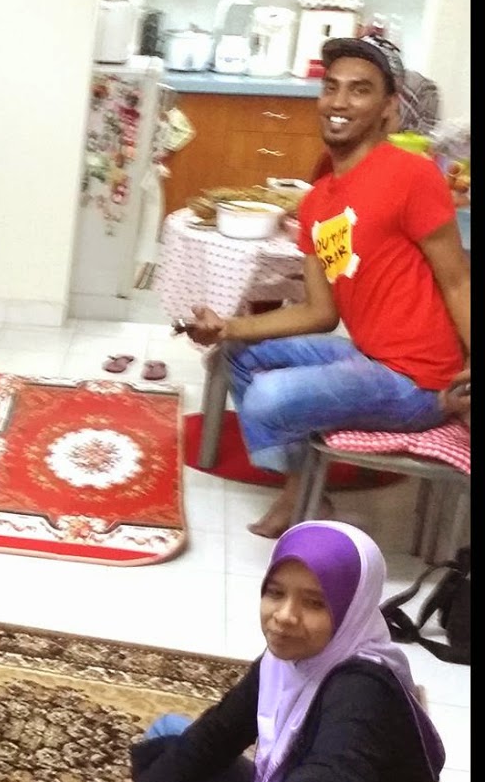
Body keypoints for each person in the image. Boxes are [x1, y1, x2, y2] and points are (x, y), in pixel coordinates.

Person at [185, 36, 470, 538]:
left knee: (269, 398)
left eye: (360, 90)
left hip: (421, 381)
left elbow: (458, 279)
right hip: (370, 357)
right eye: (331, 87)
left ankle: (299, 495)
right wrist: (227, 326)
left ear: (388, 107)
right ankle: (302, 489)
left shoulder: (413, 174)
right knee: (235, 356)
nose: (339, 102)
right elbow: (320, 311)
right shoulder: (318, 201)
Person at [105, 520, 446, 782]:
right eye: (275, 593)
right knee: (169, 731)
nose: (284, 615)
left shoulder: (361, 686)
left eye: (314, 603)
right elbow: (221, 731)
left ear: (352, 608)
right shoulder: (289, 658)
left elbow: (337, 778)